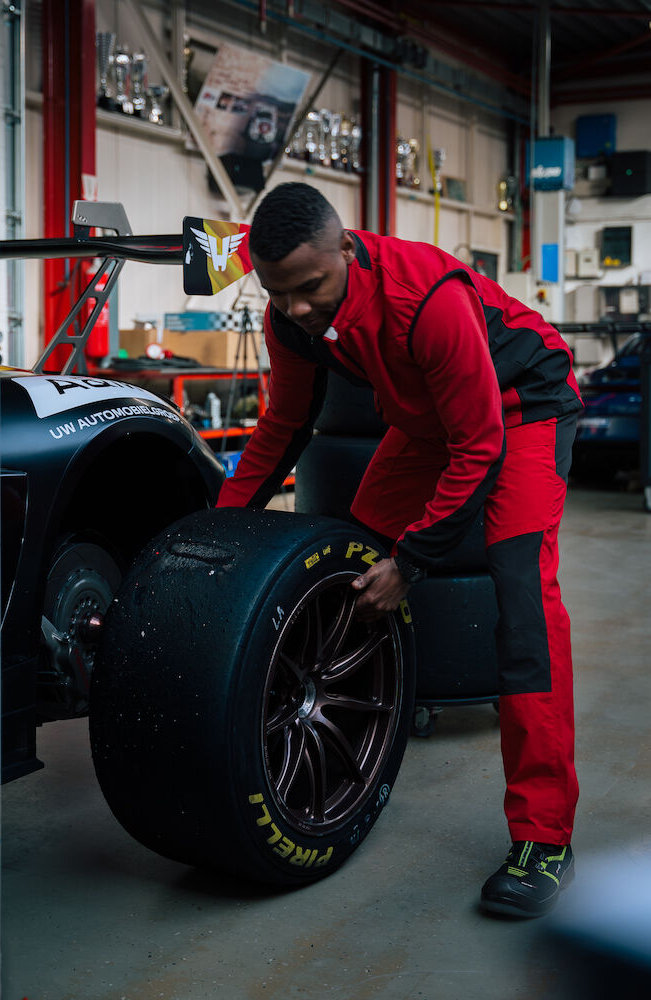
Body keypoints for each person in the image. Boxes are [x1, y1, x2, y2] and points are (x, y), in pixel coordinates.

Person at [216, 181, 582, 918]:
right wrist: (214, 530)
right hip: (429, 421)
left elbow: (478, 445)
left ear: (346, 250)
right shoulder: (290, 318)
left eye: (310, 286)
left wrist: (411, 565)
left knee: (522, 602)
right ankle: (351, 725)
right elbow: (283, 427)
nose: (296, 307)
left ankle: (544, 839)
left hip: (521, 409)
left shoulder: (427, 299)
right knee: (353, 555)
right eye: (278, 292)